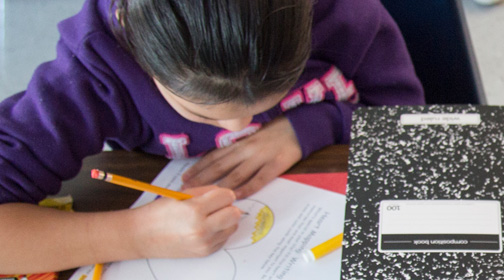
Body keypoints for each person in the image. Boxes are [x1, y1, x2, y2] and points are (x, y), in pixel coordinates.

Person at [0, 0, 423, 273]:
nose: (239, 127)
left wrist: (314, 126)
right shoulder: (94, 69)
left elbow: (411, 128)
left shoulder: (346, 14)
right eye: (201, 113)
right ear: (133, 43)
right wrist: (136, 234)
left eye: (269, 99)